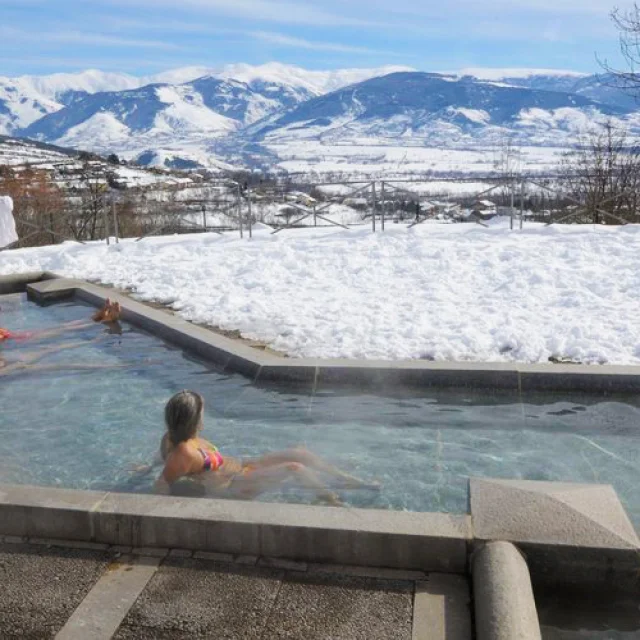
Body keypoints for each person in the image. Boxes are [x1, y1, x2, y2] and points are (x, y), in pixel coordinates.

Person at [155, 390, 378, 505]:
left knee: (299, 453)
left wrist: (146, 467)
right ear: (192, 418)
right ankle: (334, 503)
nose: (205, 415)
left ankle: (347, 479)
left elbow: (163, 457)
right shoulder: (183, 451)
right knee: (294, 468)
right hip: (233, 486)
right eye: (202, 411)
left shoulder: (174, 438)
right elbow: (164, 482)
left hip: (243, 468)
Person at [0, 298, 122, 344]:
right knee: (65, 328)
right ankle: (105, 317)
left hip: (18, 337)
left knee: (65, 326)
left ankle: (103, 316)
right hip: (19, 338)